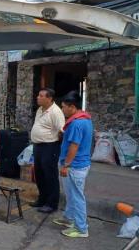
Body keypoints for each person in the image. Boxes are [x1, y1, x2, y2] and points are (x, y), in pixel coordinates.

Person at [53, 91, 92, 238]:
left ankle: (82, 229)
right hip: (80, 164)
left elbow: (74, 146)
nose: (62, 110)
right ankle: (69, 219)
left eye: (63, 107)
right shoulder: (85, 118)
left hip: (75, 166)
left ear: (72, 107)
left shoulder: (76, 123)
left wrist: (66, 165)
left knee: (76, 197)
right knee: (71, 194)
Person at [30, 88, 65, 213]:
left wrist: (58, 149)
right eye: (38, 95)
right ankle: (42, 199)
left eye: (41, 95)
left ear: (49, 98)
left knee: (50, 175)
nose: (37, 97)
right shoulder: (40, 109)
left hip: (50, 147)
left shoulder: (56, 112)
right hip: (38, 146)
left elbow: (62, 132)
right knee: (39, 174)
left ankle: (52, 203)